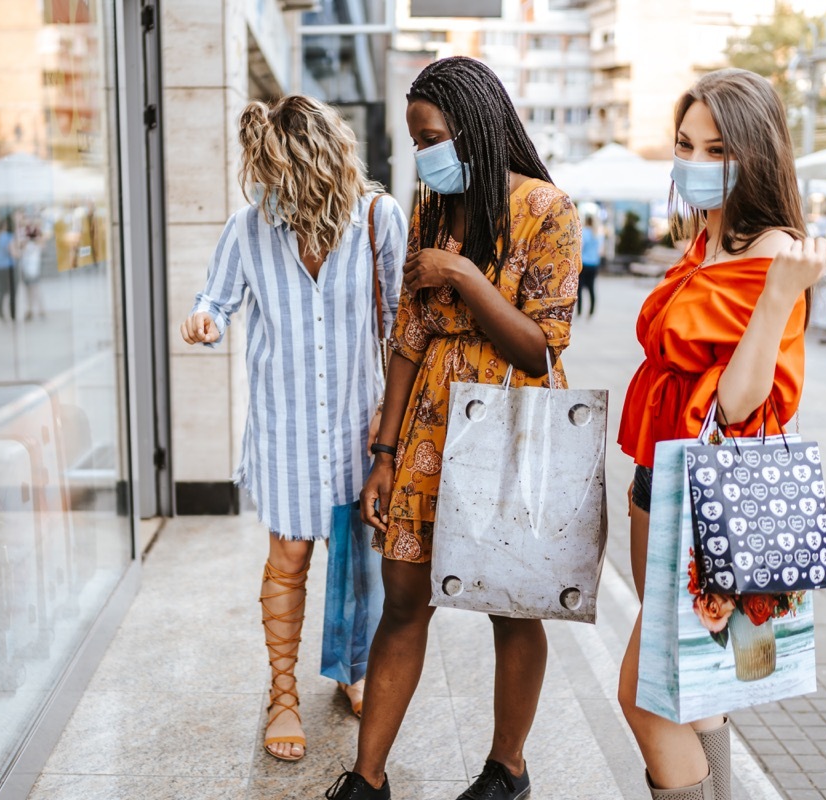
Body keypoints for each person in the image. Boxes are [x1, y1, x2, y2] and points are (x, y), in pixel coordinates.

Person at [327, 56, 580, 800]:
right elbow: (407, 338)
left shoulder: (547, 209)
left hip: (509, 428)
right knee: (403, 598)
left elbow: (540, 346)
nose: (424, 156)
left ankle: (507, 769)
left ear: (473, 129)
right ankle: (367, 778)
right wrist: (383, 450)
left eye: (432, 137)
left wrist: (466, 277)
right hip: (431, 429)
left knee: (510, 603)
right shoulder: (433, 210)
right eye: (415, 143)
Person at [616, 69, 826, 800]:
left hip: (712, 491)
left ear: (755, 155)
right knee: (694, 687)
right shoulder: (710, 236)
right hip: (660, 475)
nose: (695, 165)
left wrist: (777, 298)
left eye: (717, 151)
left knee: (644, 699)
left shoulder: (775, 251)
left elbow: (744, 404)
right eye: (685, 146)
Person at [180, 95, 407, 763]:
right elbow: (214, 299)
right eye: (272, 178)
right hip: (282, 430)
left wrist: (388, 420)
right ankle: (283, 693)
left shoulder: (377, 218)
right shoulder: (249, 229)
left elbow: (399, 325)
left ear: (327, 163)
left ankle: (351, 670)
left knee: (357, 561)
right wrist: (205, 321)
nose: (283, 195)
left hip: (357, 426)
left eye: (292, 177)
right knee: (289, 560)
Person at [19, 214, 47, 322]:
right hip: (27, 267)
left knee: (34, 288)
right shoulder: (25, 241)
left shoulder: (35, 244)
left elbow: (41, 244)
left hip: (33, 268)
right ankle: (32, 309)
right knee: (30, 289)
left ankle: (39, 309)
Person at [579, 214, 601, 316]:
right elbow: (600, 251)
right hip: (594, 264)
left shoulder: (584, 233)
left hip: (584, 263)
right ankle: (591, 311)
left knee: (580, 288)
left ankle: (579, 311)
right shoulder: (597, 234)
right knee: (591, 288)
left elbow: (581, 247)